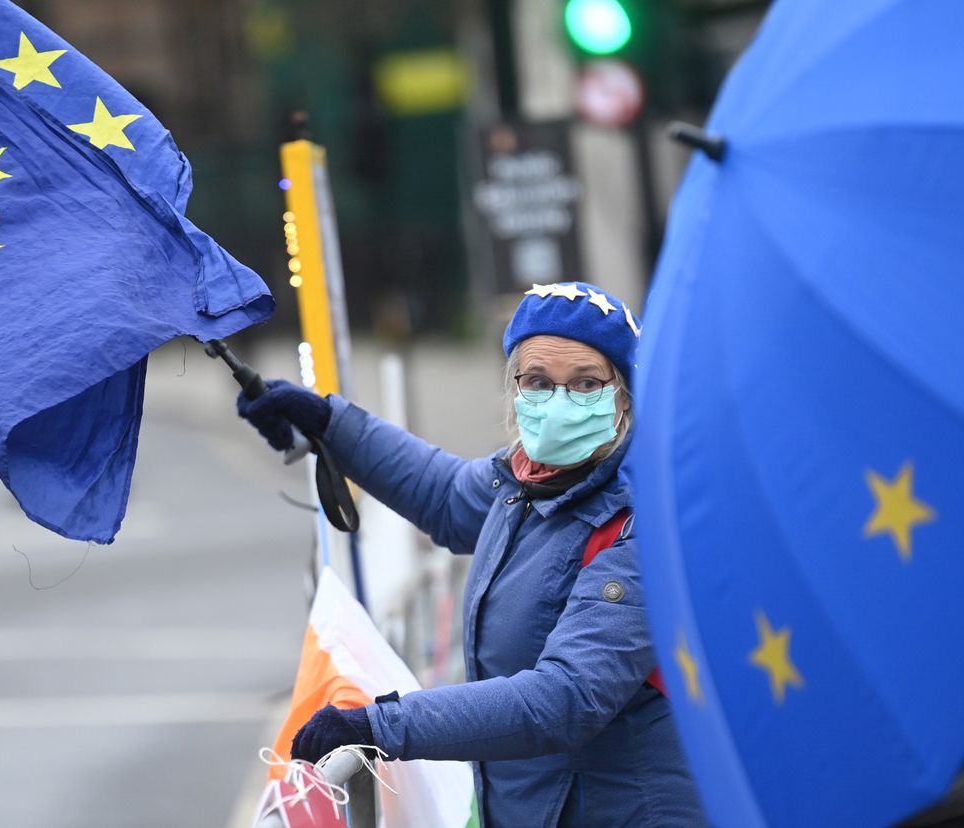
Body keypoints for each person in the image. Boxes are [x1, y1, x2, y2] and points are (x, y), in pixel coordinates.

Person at [237, 281, 706, 826]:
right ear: (513, 388)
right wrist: (328, 423)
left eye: (585, 383)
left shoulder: (641, 520)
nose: (558, 402)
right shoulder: (524, 480)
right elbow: (441, 492)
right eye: (537, 382)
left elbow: (564, 699)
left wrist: (381, 725)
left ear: (624, 395)